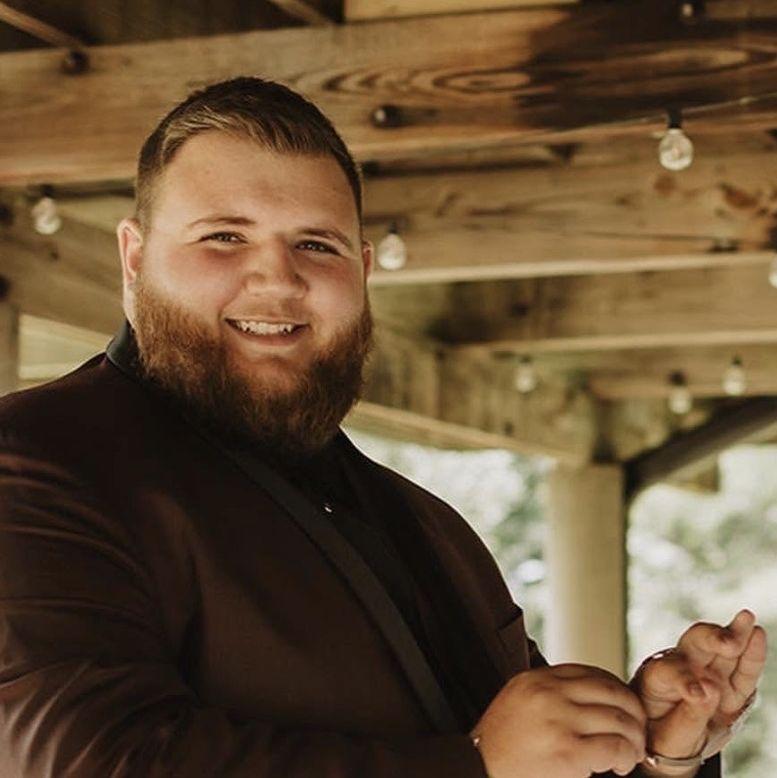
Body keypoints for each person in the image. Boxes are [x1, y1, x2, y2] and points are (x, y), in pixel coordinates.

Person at [0, 76, 765, 778]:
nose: (277, 278)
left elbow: (526, 765)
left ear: (362, 271)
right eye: (223, 236)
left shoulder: (431, 526)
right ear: (134, 259)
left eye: (316, 245)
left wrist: (654, 752)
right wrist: (468, 765)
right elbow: (84, 761)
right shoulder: (36, 460)